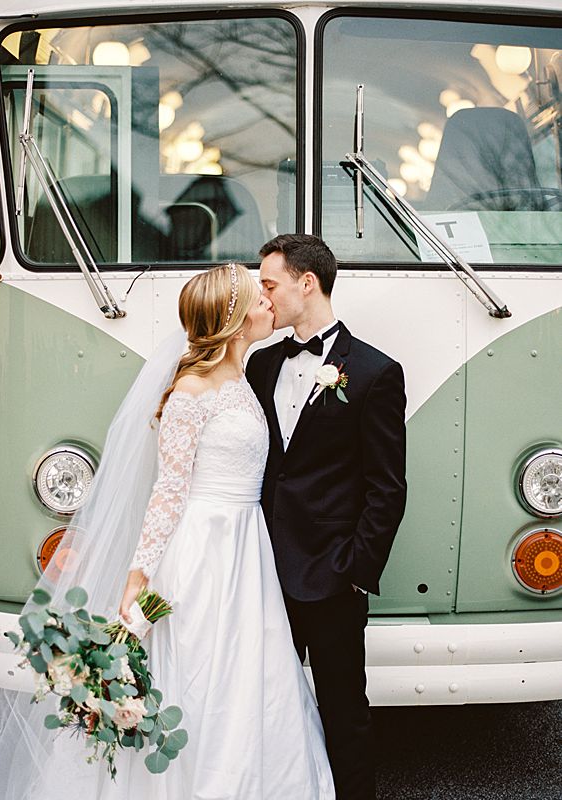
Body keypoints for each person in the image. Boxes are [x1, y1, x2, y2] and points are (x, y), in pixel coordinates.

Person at [0, 263, 335, 800]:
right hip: (204, 553)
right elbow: (169, 491)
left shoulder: (242, 377)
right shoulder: (191, 391)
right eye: (257, 297)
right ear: (234, 317)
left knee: (248, 680)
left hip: (246, 550)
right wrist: (138, 577)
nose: (269, 303)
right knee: (199, 675)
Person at [246, 234, 407, 800]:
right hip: (260, 570)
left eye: (269, 285)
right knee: (265, 703)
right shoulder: (262, 365)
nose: (262, 298)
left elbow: (386, 487)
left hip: (332, 577)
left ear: (305, 282)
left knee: (344, 709)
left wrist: (357, 570)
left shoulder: (374, 373)